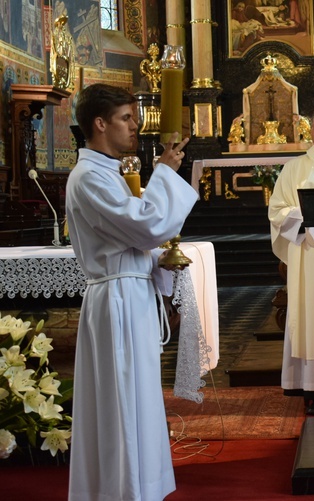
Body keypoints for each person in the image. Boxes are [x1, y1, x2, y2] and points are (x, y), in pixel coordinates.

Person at [66, 83, 198, 501]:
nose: (135, 127)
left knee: (139, 401)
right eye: (126, 119)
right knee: (123, 401)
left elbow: (136, 238)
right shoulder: (89, 177)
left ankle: (140, 487)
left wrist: (156, 263)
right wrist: (166, 172)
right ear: (100, 123)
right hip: (117, 300)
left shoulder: (110, 170)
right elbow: (145, 226)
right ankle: (123, 491)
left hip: (131, 296)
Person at [268, 104, 314, 415]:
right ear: (309, 132)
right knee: (312, 316)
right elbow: (277, 212)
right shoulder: (293, 169)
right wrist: (309, 216)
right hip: (309, 257)